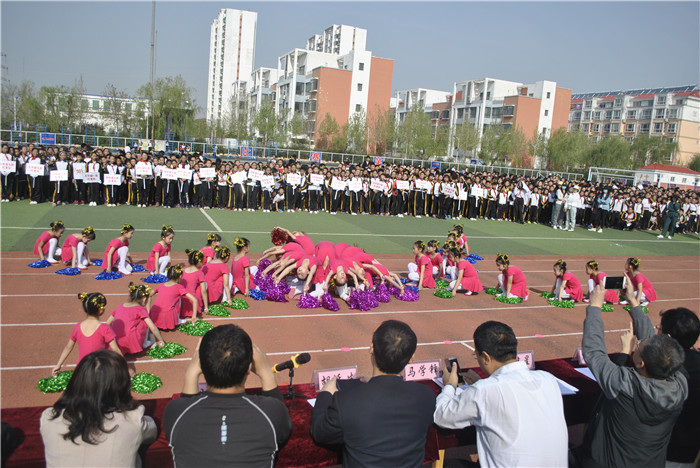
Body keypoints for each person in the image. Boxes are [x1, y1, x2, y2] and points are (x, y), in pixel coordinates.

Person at [571, 282, 687, 467]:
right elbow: (656, 348)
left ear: (641, 363)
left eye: (639, 347)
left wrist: (594, 307)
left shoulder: (624, 385)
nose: (639, 343)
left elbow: (594, 353)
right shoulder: (680, 385)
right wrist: (634, 303)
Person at [433, 321, 568, 467]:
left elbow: (441, 416)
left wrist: (450, 385)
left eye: (476, 355)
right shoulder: (548, 379)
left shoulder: (484, 390)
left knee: (449, 464)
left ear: (485, 357)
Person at [311, 320, 436, 467]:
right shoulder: (426, 396)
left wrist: (326, 393)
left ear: (371, 348)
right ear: (411, 358)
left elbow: (319, 433)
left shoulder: (346, 401)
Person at [163, 324, 292, 467]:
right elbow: (282, 429)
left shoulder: (175, 411)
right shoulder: (272, 411)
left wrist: (191, 374)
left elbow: (185, 409)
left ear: (201, 365)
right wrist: (267, 373)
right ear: (250, 367)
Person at [41, 350, 157, 467]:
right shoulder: (134, 419)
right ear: (122, 385)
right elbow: (152, 431)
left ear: (76, 382)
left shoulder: (48, 418)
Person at [659, 308, 700, 466]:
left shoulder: (662, 368)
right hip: (692, 451)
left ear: (668, 337)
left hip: (667, 451)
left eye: (660, 329)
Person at [52, 293, 122, 375]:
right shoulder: (104, 328)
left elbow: (68, 347)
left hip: (82, 368)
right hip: (99, 369)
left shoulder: (77, 327)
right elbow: (115, 349)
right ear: (101, 310)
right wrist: (124, 366)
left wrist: (58, 365)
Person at [107, 283, 166, 354]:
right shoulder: (140, 309)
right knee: (145, 320)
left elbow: (107, 323)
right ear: (144, 299)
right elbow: (152, 327)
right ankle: (144, 343)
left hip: (117, 342)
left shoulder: (120, 306)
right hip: (131, 342)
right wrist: (160, 340)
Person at [150, 265, 199, 329]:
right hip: (167, 317)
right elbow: (195, 300)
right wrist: (194, 316)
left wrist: (148, 309)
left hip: (154, 315)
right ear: (180, 276)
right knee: (180, 298)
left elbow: (149, 294)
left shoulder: (161, 285)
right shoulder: (179, 287)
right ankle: (176, 320)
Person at [181, 249, 209, 319]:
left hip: (181, 301)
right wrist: (206, 306)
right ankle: (200, 306)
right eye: (202, 261)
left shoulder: (183, 271)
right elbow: (203, 291)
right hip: (192, 302)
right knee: (204, 285)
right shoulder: (199, 273)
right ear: (199, 262)